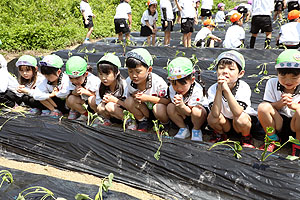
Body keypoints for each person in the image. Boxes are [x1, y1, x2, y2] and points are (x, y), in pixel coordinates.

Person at [207, 50, 257, 148]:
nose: (225, 71)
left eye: (231, 69)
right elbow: (215, 114)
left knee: (241, 118)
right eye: (221, 68)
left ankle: (246, 137)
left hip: (239, 123)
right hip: (225, 123)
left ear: (240, 73)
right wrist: (219, 90)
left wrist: (226, 90)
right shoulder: (213, 88)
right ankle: (221, 134)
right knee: (211, 117)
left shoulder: (243, 87)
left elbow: (238, 112)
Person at [257, 50, 300, 156]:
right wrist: (280, 103)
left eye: (294, 77)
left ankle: (298, 143)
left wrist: (295, 106)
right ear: (277, 73)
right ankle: (273, 139)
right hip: (279, 123)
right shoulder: (272, 83)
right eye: (283, 76)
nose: (288, 81)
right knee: (263, 107)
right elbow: (269, 107)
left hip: (296, 125)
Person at [124, 48, 169, 132]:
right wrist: (135, 96)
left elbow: (167, 101)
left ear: (149, 70)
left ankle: (164, 124)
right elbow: (129, 97)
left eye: (138, 71)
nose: (134, 75)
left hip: (159, 111)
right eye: (130, 71)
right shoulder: (129, 82)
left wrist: (147, 98)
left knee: (158, 107)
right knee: (128, 101)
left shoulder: (158, 82)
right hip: (144, 110)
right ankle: (143, 121)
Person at [166, 57, 208, 141]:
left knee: (197, 111)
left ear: (192, 80)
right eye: (174, 84)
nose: (178, 88)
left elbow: (190, 113)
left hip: (198, 117)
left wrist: (181, 105)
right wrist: (180, 106)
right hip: (183, 114)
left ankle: (196, 129)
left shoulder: (197, 90)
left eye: (182, 84)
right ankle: (183, 128)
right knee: (170, 107)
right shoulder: (171, 89)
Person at [89, 53, 127, 126]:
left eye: (107, 74)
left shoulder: (124, 85)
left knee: (109, 106)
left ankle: (128, 121)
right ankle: (107, 120)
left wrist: (115, 100)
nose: (103, 78)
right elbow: (98, 101)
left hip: (123, 111)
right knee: (100, 107)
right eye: (100, 74)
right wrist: (104, 101)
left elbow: (129, 105)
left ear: (117, 72)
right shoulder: (100, 85)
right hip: (111, 112)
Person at [65, 56, 100, 121]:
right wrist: (75, 92)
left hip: (95, 104)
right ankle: (85, 114)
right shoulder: (70, 81)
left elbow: (99, 97)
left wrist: (86, 92)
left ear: (86, 74)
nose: (74, 81)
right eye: (71, 78)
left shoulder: (93, 81)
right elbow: (70, 93)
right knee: (70, 99)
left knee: (91, 99)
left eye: (77, 78)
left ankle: (98, 115)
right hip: (83, 102)